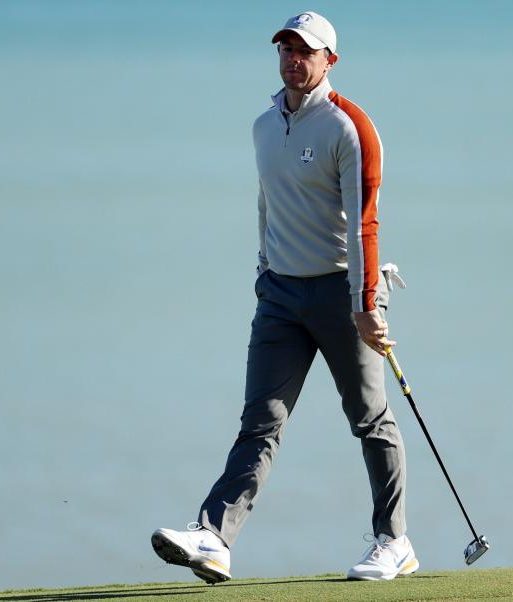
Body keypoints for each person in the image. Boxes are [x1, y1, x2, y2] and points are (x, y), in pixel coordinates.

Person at [151, 11, 417, 583]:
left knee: (370, 419)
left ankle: (393, 541)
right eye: (286, 49)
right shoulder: (263, 126)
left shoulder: (351, 129)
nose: (293, 59)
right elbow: (267, 203)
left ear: (330, 60)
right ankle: (215, 537)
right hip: (279, 296)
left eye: (305, 51)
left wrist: (366, 304)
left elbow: (364, 225)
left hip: (343, 292)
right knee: (260, 422)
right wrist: (263, 270)